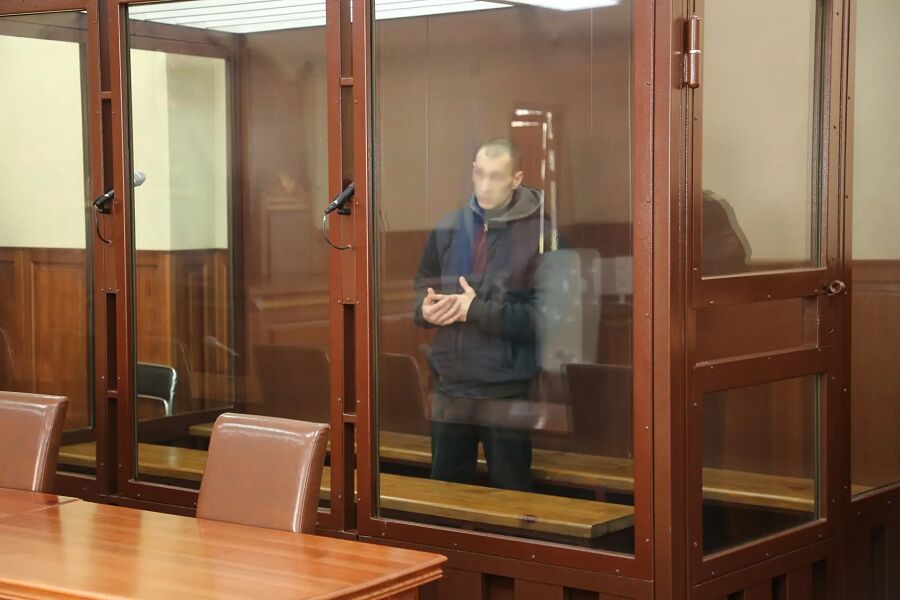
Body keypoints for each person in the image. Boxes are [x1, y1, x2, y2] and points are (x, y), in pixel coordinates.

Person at [413, 138, 546, 491]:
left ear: (517, 179)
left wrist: (475, 309)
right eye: (480, 174)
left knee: (510, 494)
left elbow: (544, 319)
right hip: (450, 385)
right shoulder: (449, 226)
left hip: (505, 390)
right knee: (444, 494)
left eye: (496, 177)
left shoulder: (541, 234)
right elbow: (422, 287)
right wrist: (424, 309)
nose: (485, 185)